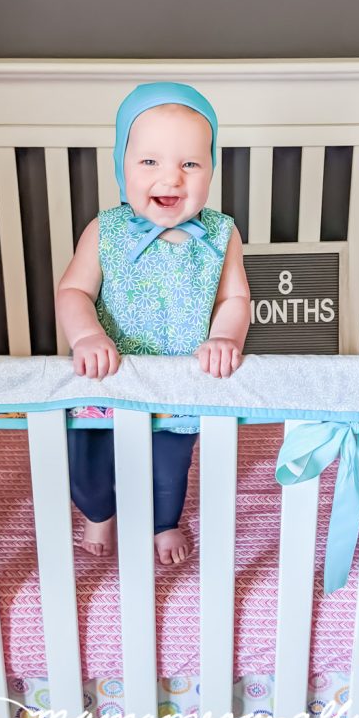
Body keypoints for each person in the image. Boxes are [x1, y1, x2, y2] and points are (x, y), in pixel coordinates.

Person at [55, 82, 250, 565]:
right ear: (122, 166)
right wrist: (86, 335)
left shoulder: (222, 234)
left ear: (211, 169)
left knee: (169, 468)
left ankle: (164, 521)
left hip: (178, 385)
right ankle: (100, 512)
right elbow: (73, 291)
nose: (172, 178)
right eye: (150, 162)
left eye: (190, 163)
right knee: (88, 466)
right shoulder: (106, 229)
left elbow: (235, 297)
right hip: (106, 380)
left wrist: (225, 335)